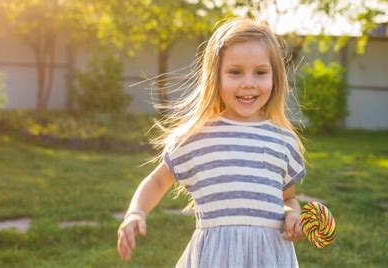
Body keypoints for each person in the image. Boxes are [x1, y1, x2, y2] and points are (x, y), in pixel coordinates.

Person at [117, 17, 307, 267]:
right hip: (215, 258)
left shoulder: (283, 141)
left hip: (268, 257)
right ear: (215, 77)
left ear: (275, 77)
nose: (248, 82)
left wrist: (293, 215)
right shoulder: (198, 137)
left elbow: (287, 199)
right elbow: (158, 180)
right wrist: (136, 211)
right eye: (235, 72)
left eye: (260, 72)